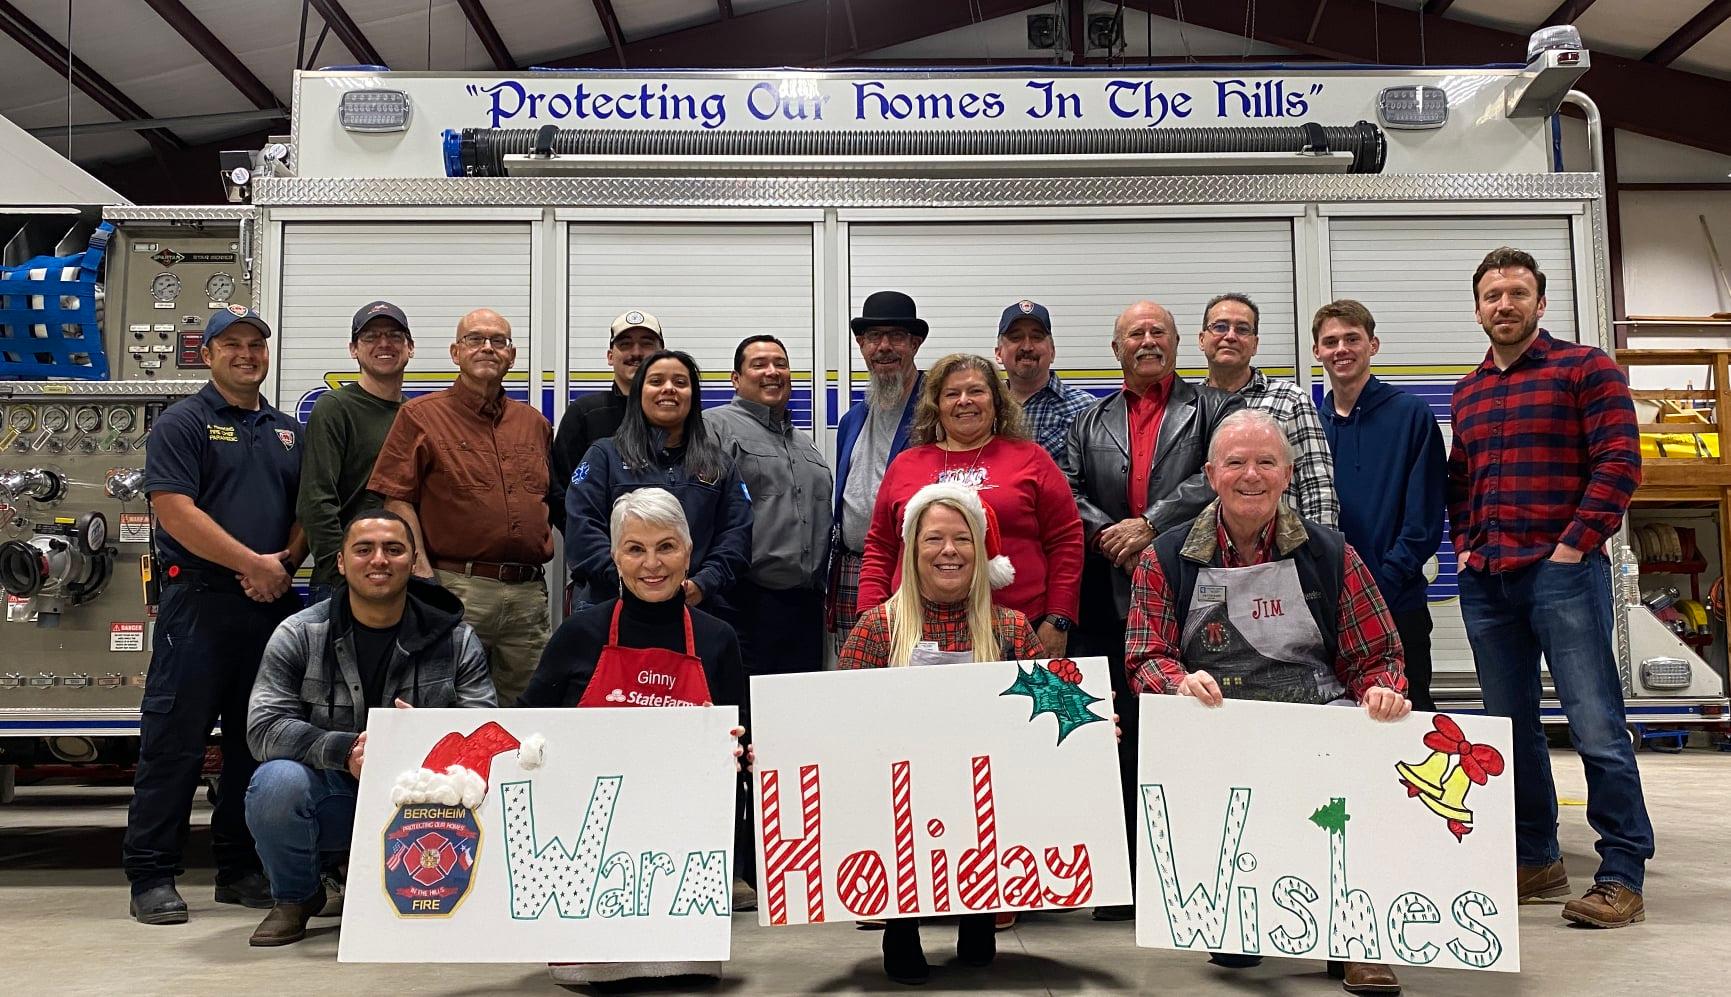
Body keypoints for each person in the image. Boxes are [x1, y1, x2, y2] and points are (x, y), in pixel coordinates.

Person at [1125, 408, 1409, 995]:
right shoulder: (1168, 556)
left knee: (1346, 799)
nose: (1250, 475)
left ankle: (1356, 940)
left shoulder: (1330, 555)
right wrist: (1176, 681)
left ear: (1288, 473)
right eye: (1235, 463)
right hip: (1220, 717)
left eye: (1265, 463)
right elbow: (1144, 655)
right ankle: (1240, 917)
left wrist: (1383, 689)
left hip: (1314, 717)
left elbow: (1376, 653)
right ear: (1210, 474)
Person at [1447, 246, 1653, 928]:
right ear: (1476, 309)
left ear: (1540, 302)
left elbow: (1620, 462)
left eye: (1515, 292)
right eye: (1491, 295)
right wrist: (1466, 546)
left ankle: (1620, 871)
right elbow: (1459, 482)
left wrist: (1572, 546)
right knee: (1509, 730)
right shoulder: (1470, 388)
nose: (1503, 304)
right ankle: (1535, 856)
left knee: (1595, 726)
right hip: (1490, 582)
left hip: (1560, 574)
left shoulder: (1584, 367)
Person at [123, 305, 307, 925]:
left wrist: (281, 562)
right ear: (208, 355)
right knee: (176, 741)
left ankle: (240, 868)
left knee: (256, 742)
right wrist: (251, 564)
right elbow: (174, 510)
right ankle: (151, 873)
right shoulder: (183, 423)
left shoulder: (286, 430)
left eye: (256, 345)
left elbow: (305, 508)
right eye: (232, 345)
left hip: (271, 604)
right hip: (198, 603)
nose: (247, 354)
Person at [1059, 299, 1240, 920]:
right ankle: (1126, 872)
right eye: (1133, 333)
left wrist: (1150, 525)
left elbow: (1218, 475)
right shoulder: (1091, 421)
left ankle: (1192, 871)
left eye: (1157, 330)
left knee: (1190, 727)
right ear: (1116, 350)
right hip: (1110, 590)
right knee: (1117, 733)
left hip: (1195, 589)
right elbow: (1070, 490)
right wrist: (1113, 533)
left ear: (1176, 343)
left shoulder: (1213, 407)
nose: (1146, 340)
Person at [520, 488, 745, 988]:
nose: (652, 564)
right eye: (635, 549)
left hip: (684, 888)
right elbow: (525, 729)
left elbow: (744, 742)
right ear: (615, 557)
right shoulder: (580, 634)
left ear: (689, 552)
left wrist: (739, 752)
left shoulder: (716, 639)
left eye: (666, 547)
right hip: (588, 875)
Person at [243, 509, 495, 946]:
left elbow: (481, 730)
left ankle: (439, 892)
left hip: (424, 800)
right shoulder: (300, 634)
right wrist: (345, 752)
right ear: (341, 562)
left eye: (393, 549)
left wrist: (420, 743)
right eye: (364, 549)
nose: (378, 559)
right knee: (275, 784)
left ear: (413, 561)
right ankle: (297, 898)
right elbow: (264, 728)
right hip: (336, 793)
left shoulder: (456, 639)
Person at [840, 482, 1044, 985]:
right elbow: (837, 722)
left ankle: (979, 910)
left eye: (962, 538)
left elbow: (1055, 715)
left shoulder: (1012, 628)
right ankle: (900, 923)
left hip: (985, 793)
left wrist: (1094, 728)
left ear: (981, 550)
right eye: (933, 539)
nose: (948, 551)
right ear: (912, 550)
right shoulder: (876, 627)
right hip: (899, 794)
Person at [703, 334, 834, 910]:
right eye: (759, 364)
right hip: (742, 602)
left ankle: (787, 864)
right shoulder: (717, 430)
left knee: (792, 736)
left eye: (781, 363)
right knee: (740, 737)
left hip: (802, 606)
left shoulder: (806, 443)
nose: (773, 371)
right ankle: (734, 865)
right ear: (736, 377)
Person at [368, 307, 556, 705]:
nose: (487, 348)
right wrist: (422, 572)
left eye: (498, 341)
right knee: (444, 705)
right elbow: (397, 497)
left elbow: (549, 501)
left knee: (529, 713)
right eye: (475, 339)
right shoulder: (420, 416)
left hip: (526, 596)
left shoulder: (534, 424)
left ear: (512, 355)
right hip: (456, 588)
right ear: (456, 352)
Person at [857, 352, 1083, 657]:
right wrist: (870, 619)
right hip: (915, 634)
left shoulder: (1032, 459)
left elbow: (1066, 541)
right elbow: (880, 546)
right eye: (952, 393)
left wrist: (1058, 618)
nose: (965, 400)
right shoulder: (905, 464)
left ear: (996, 401)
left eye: (976, 391)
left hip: (1017, 632)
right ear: (936, 405)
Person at [1313, 299, 1446, 712]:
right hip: (1327, 610)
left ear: (1373, 344)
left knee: (1407, 716)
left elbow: (1423, 520)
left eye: (1352, 338)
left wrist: (1382, 584)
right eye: (1330, 341)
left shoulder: (1411, 416)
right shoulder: (1311, 422)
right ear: (1316, 352)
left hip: (1395, 604)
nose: (1341, 349)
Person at [565, 350, 752, 617]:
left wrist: (703, 583)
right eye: (656, 381)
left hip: (696, 609)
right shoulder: (604, 456)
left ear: (693, 395)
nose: (668, 389)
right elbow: (582, 529)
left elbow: (736, 534)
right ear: (639, 393)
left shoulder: (718, 465)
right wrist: (628, 581)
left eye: (680, 382)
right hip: (610, 607)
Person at [297, 300, 414, 604]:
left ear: (410, 348)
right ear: (353, 349)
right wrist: (345, 574)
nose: (384, 343)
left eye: (394, 336)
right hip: (345, 584)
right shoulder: (335, 408)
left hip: (402, 582)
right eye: (371, 337)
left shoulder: (417, 416)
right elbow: (316, 501)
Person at [830, 290, 928, 651]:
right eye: (874, 337)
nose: (883, 347)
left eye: (896, 337)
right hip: (853, 572)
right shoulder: (851, 420)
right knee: (857, 678)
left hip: (914, 571)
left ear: (915, 343)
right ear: (861, 345)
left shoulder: (938, 411)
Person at [1199, 292, 1339, 527]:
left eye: (1242, 329)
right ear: (1202, 339)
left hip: (1281, 555)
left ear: (1254, 344)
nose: (1230, 336)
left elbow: (1318, 488)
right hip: (1210, 557)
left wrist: (1321, 555)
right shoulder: (1189, 408)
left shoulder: (1290, 400)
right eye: (1220, 327)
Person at [551, 309, 664, 530]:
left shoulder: (677, 413)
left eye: (647, 343)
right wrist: (592, 549)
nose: (636, 352)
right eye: (625, 344)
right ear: (610, 356)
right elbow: (560, 491)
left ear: (662, 354)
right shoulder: (584, 413)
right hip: (601, 557)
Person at [993, 298, 1095, 463]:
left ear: (1053, 352)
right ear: (999, 353)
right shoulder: (986, 408)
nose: (1027, 347)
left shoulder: (1086, 409)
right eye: (1016, 337)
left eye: (1037, 337)